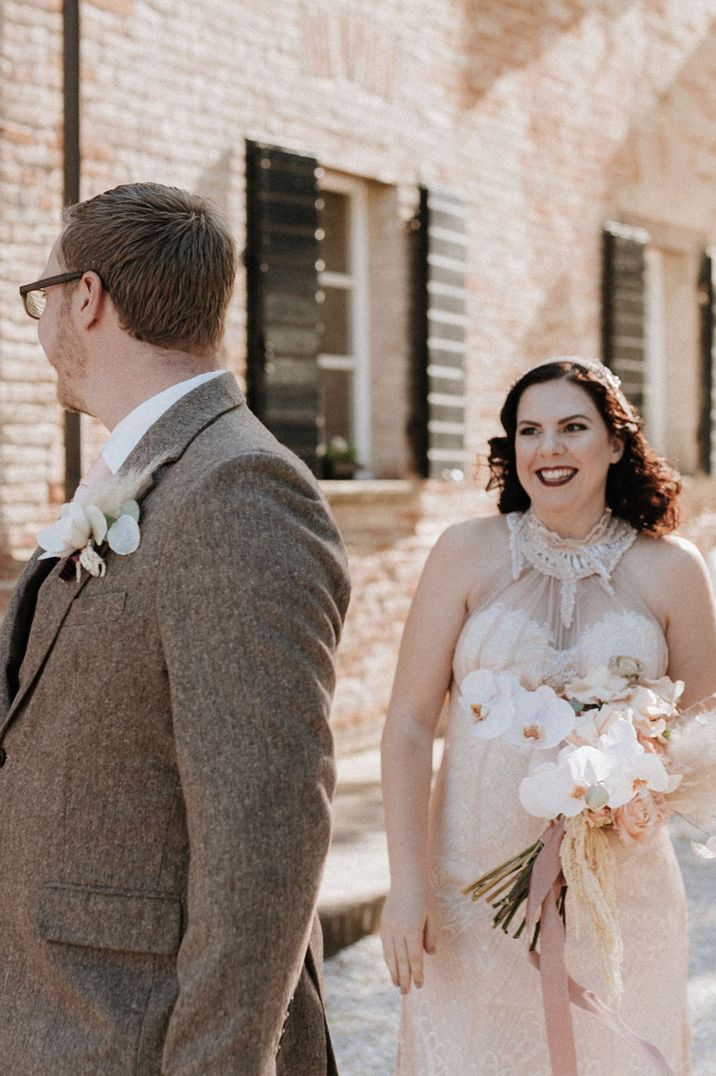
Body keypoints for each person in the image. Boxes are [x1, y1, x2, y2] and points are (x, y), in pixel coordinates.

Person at [4, 182, 350, 1074]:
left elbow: (264, 839)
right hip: (57, 1015)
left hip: (135, 1035)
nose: (41, 326)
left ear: (87, 298)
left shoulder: (239, 491)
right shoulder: (156, 468)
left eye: (42, 298)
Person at [380, 357, 716, 1074]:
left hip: (620, 902)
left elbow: (702, 736)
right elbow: (409, 725)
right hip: (466, 900)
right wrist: (406, 887)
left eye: (572, 428)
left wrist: (627, 773)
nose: (549, 449)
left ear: (616, 443)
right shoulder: (463, 554)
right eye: (529, 431)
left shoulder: (674, 570)